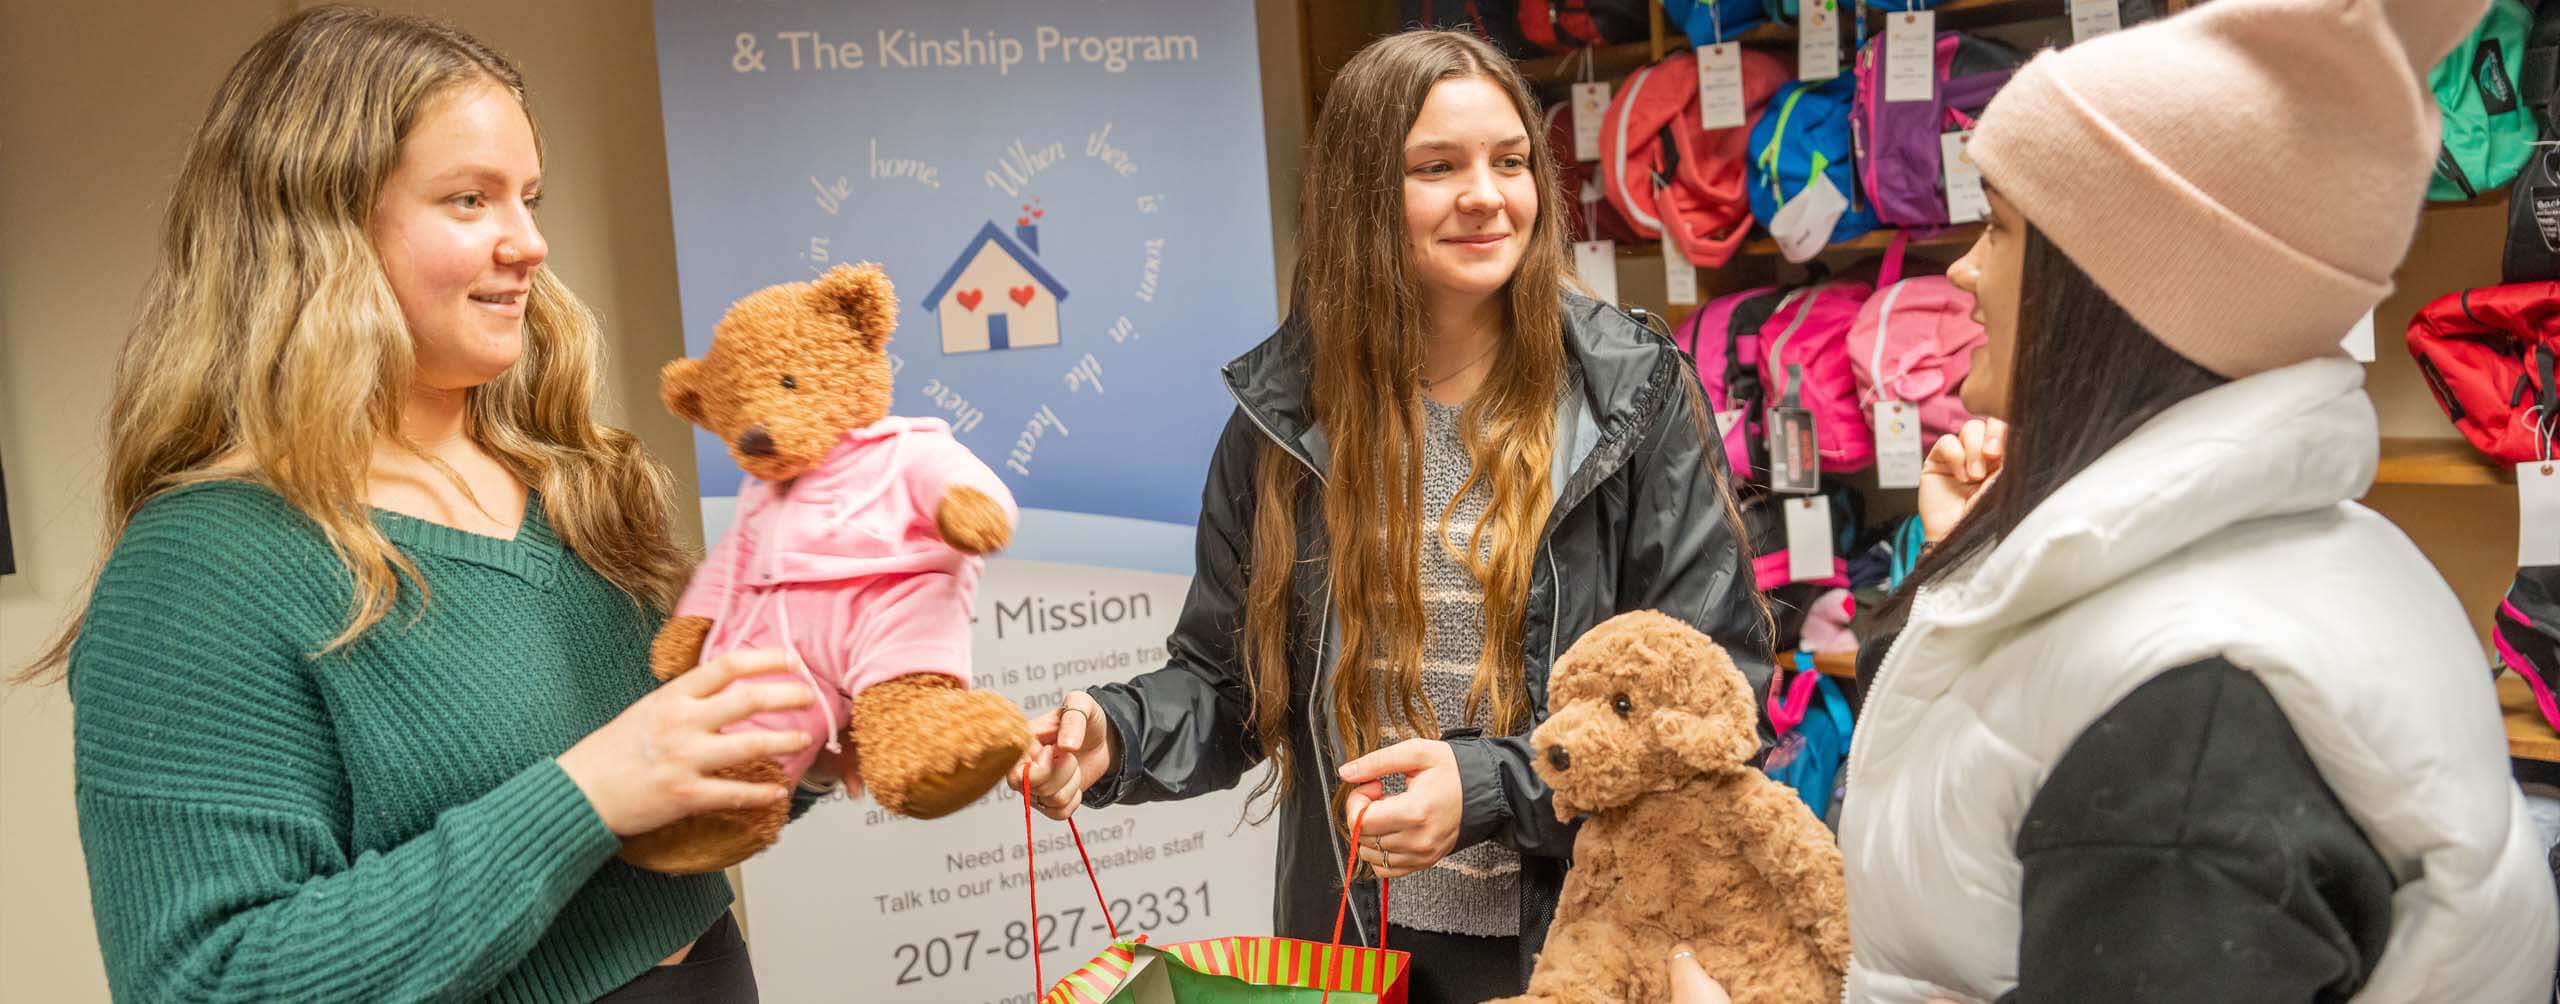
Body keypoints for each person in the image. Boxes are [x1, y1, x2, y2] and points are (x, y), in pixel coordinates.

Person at [1670, 0, 2560, 1001]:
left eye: (2001, 229)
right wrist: (1974, 572)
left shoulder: (2190, 719)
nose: (1959, 270)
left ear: (2113, 290)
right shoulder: (2332, 552)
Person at [31, 7, 829, 1000]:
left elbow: (672, 798)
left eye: (531, 197)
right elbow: (207, 978)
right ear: (315, 228)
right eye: (470, 200)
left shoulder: (573, 477)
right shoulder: (200, 566)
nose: (530, 243)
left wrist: (806, 739)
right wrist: (585, 792)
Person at [1015, 27, 1770, 1004]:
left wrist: (1495, 786)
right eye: (1436, 166)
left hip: (1588, 944)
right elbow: (1228, 683)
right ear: (1362, 195)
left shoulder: (1629, 396)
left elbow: (1709, 698)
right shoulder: (1290, 415)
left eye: (1509, 161)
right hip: (1360, 946)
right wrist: (1113, 733)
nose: (1486, 194)